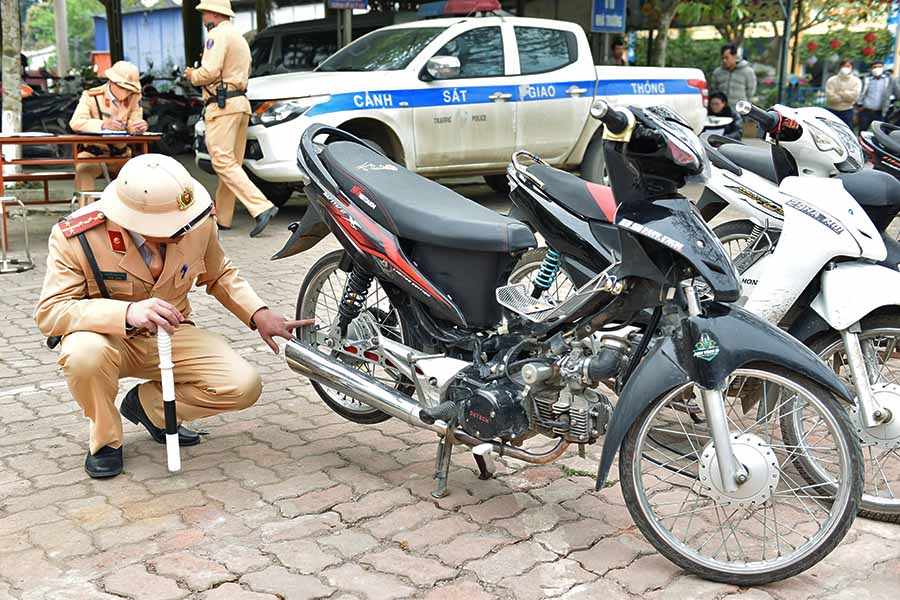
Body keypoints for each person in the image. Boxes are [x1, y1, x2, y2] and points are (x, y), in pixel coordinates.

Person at [34, 154, 310, 478]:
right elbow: (51, 312)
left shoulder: (195, 219)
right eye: (174, 226)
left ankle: (151, 408)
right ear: (135, 221)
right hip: (108, 339)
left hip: (171, 333)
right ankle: (106, 440)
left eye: (188, 219)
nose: (186, 229)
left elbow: (219, 273)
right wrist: (128, 312)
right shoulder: (79, 236)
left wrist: (258, 313)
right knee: (83, 354)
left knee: (243, 385)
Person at [184, 0, 277, 237]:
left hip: (222, 105)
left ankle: (261, 206)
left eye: (205, 13)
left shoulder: (216, 35)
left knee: (221, 161)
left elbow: (209, 72)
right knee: (231, 164)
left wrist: (192, 75)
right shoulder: (238, 37)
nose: (204, 18)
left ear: (213, 14)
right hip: (240, 104)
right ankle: (223, 218)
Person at [69, 61, 148, 193]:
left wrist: (139, 126)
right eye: (124, 88)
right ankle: (86, 210)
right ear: (112, 81)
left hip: (121, 155)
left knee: (140, 175)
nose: (128, 92)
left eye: (131, 89)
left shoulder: (134, 97)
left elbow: (134, 121)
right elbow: (76, 122)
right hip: (92, 154)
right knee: (83, 171)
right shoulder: (91, 96)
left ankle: (129, 212)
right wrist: (103, 125)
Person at [856, 60, 899, 133]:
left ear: (883, 68)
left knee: (879, 133)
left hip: (880, 112)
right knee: (862, 131)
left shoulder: (889, 79)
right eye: (875, 67)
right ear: (871, 69)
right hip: (866, 111)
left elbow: (897, 93)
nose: (877, 69)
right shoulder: (866, 79)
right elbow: (860, 93)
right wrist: (858, 107)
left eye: (879, 67)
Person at [825, 59, 862, 128]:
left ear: (852, 68)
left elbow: (854, 96)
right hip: (832, 110)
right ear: (840, 67)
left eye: (848, 66)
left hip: (847, 111)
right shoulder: (831, 80)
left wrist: (840, 93)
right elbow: (830, 97)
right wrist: (846, 96)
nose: (846, 68)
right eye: (844, 66)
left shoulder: (856, 81)